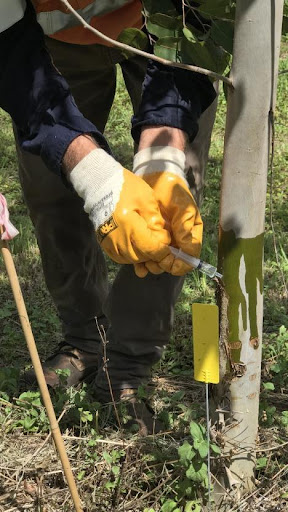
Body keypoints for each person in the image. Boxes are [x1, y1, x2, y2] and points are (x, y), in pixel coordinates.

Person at [0, 1, 217, 409]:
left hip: (170, 21)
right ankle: (84, 341)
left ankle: (128, 367)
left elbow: (200, 25)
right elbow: (8, 52)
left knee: (170, 205)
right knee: (52, 188)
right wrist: (92, 173)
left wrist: (162, 158)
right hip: (49, 39)